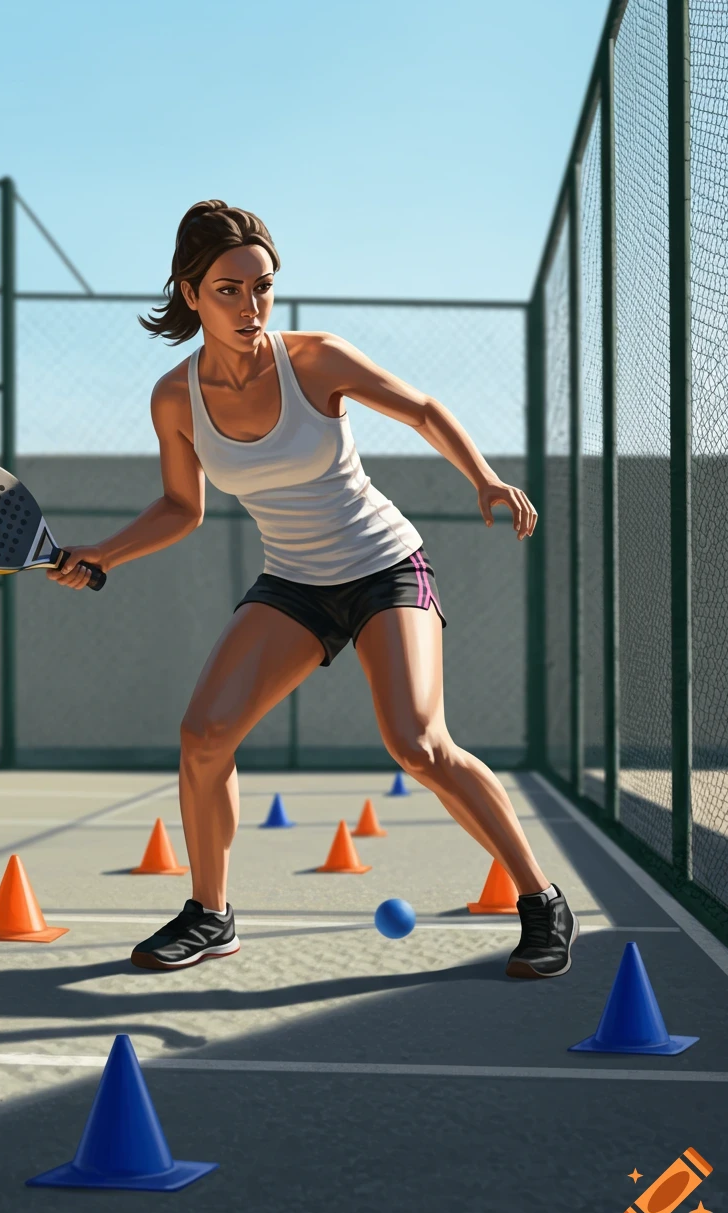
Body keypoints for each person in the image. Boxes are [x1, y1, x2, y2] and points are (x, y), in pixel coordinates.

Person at [47, 199, 578, 980]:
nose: (250, 305)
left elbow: (423, 409)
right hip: (294, 582)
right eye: (228, 289)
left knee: (419, 744)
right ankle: (211, 914)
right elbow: (180, 508)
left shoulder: (315, 360)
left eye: (262, 286)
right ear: (190, 294)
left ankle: (540, 900)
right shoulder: (175, 397)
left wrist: (486, 479)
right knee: (203, 738)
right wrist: (106, 554)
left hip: (385, 567)